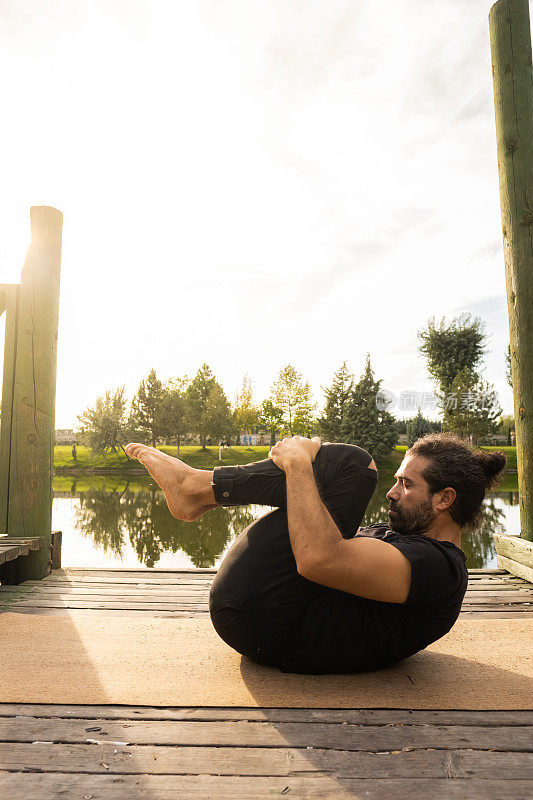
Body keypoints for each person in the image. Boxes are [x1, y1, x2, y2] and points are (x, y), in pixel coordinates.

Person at [124, 433, 506, 674]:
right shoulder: (404, 536)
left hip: (270, 625)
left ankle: (197, 487)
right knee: (342, 472)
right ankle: (199, 491)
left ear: (444, 499)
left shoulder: (436, 567)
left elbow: (319, 558)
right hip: (264, 618)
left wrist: (297, 463)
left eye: (406, 484)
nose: (391, 493)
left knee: (354, 466)